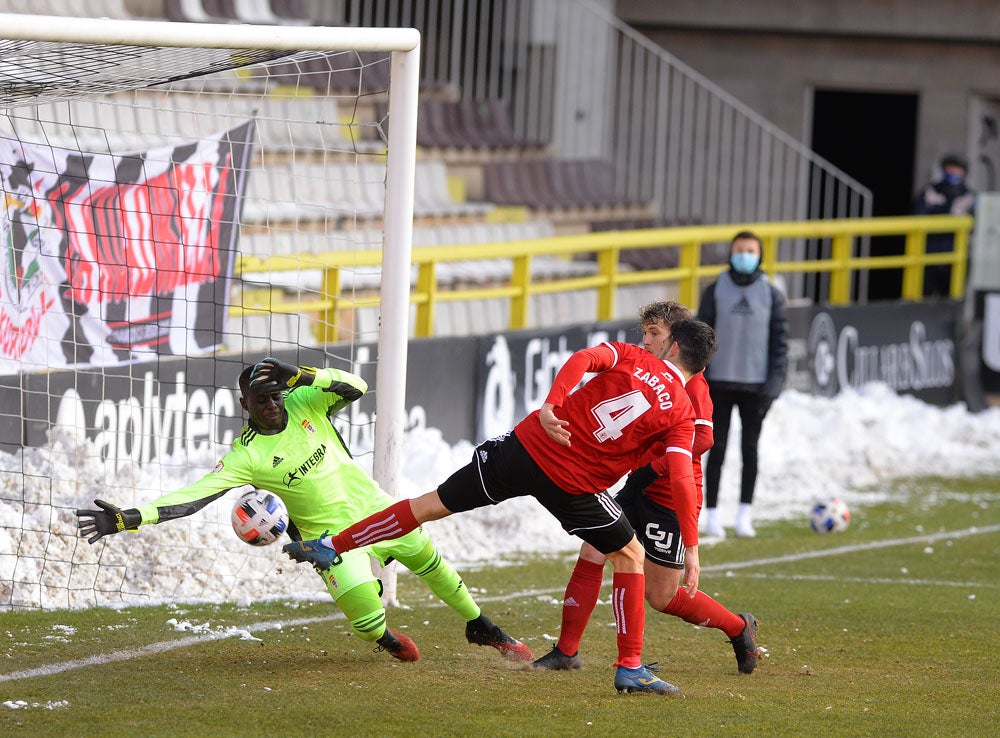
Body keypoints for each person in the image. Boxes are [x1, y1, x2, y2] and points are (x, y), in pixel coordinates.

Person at [284, 308, 719, 696]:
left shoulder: (632, 355)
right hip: (573, 483)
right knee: (629, 555)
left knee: (429, 504)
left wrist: (552, 404)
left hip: (525, 447)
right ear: (700, 364)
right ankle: (630, 667)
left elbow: (583, 359)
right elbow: (682, 474)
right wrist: (693, 545)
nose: (648, 341)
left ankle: (332, 546)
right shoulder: (681, 408)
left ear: (673, 345)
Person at [75, 358, 532, 664]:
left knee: (432, 563)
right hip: (329, 540)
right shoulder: (245, 455)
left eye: (275, 395)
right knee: (368, 620)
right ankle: (385, 639)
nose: (272, 405)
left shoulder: (304, 399)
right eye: (261, 400)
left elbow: (357, 386)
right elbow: (195, 494)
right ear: (244, 406)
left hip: (376, 509)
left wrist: (304, 375)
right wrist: (131, 517)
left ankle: (480, 625)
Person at [531, 301, 761, 675]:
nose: (647, 340)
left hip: (669, 495)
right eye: (645, 332)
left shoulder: (693, 383)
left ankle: (738, 627)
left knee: (663, 596)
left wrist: (652, 467)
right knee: (593, 549)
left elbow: (702, 439)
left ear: (675, 341)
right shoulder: (641, 364)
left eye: (655, 333)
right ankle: (566, 651)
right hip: (638, 485)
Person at [698, 230, 788, 539]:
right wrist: (701, 379)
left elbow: (780, 345)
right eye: (739, 249)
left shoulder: (772, 294)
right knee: (716, 447)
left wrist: (773, 384)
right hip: (719, 384)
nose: (744, 255)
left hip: (756, 387)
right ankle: (710, 514)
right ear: (731, 253)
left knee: (750, 448)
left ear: (759, 255)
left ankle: (744, 513)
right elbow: (701, 338)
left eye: (750, 250)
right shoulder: (714, 290)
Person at [913, 153, 976, 298]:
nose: (953, 172)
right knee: (924, 294)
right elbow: (918, 216)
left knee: (953, 296)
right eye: (950, 168)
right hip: (929, 251)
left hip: (956, 253)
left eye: (957, 169)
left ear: (964, 172)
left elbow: (973, 225)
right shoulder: (930, 191)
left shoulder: (969, 196)